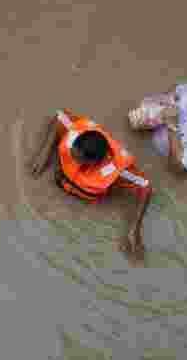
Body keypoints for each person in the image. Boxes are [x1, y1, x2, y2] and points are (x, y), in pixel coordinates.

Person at [29, 109, 152, 262]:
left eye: (77, 158)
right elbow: (59, 117)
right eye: (72, 151)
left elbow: (145, 187)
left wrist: (134, 229)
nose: (71, 157)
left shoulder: (119, 171)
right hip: (64, 182)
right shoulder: (75, 135)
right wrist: (44, 153)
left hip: (84, 200)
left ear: (94, 163)